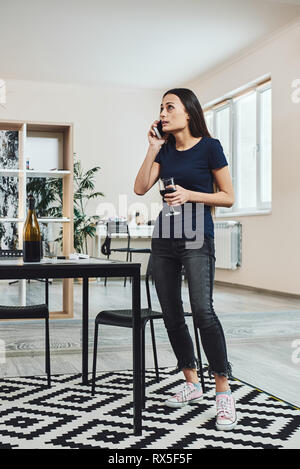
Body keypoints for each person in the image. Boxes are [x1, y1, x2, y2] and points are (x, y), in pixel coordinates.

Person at [134, 88, 237, 431]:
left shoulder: (210, 147)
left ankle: (223, 391)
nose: (162, 113)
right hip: (164, 238)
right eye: (160, 108)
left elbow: (228, 197)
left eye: (169, 107)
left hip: (197, 237)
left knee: (202, 310)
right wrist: (151, 150)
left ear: (188, 112)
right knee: (172, 312)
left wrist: (191, 194)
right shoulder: (164, 149)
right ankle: (191, 381)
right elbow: (140, 187)